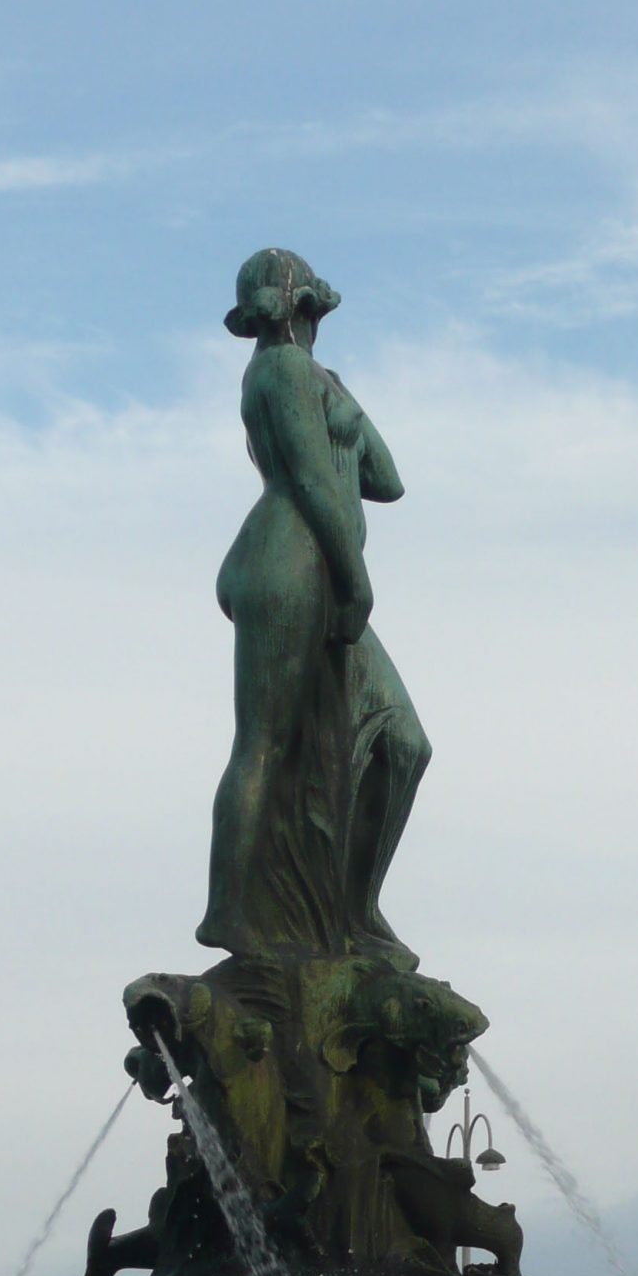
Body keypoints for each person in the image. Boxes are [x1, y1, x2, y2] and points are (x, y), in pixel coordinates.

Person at [199, 249, 430, 963]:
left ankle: (355, 912)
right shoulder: (278, 370)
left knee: (403, 744)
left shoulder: (314, 378)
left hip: (320, 568)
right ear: (301, 302)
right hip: (290, 561)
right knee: (265, 741)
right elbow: (306, 478)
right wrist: (355, 578)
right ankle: (229, 912)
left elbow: (385, 482)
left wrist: (345, 400)